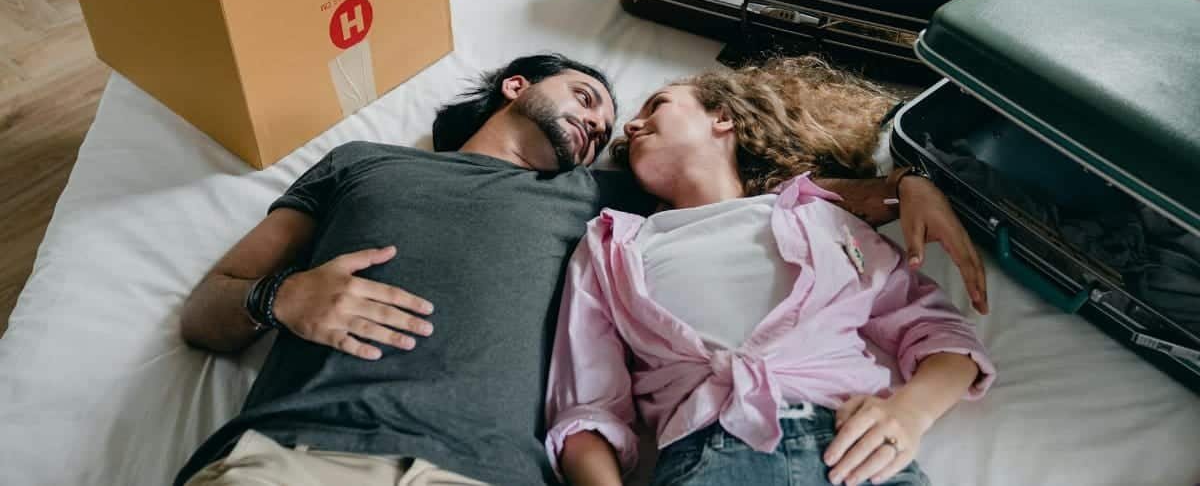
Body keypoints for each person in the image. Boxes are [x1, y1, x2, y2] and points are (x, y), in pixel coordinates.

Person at [174, 53, 986, 486]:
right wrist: (282, 296)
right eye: (588, 97)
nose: (606, 126)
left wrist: (908, 184)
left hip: (482, 474)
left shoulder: (607, 208)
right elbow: (204, 313)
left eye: (614, 124)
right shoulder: (365, 164)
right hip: (296, 453)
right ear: (516, 85)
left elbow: (764, 203)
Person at [545, 57, 994, 486]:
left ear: (722, 118)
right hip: (709, 458)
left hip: (858, 450)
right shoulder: (611, 246)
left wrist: (909, 414)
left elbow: (942, 336)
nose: (630, 126)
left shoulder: (820, 219)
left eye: (656, 105)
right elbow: (586, 413)